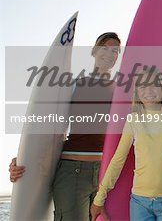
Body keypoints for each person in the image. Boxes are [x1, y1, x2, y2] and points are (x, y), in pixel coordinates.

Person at [9, 32, 122, 220]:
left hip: (107, 176)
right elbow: (47, 125)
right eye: (105, 48)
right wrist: (23, 157)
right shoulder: (73, 85)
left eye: (115, 51)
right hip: (73, 173)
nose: (110, 54)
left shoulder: (121, 91)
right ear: (94, 51)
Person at [90, 68, 162, 221]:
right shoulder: (133, 120)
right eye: (143, 86)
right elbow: (118, 160)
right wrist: (99, 198)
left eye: (154, 85)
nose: (149, 91)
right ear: (137, 92)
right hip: (140, 202)